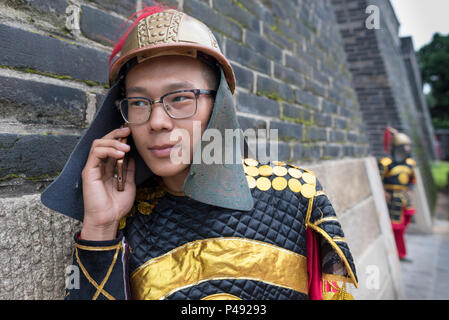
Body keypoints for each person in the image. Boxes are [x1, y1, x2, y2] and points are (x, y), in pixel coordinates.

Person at [41, 6, 357, 300]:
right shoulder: (125, 220)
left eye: (179, 98)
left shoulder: (295, 195)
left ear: (218, 106)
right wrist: (100, 227)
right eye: (139, 103)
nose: (157, 122)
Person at [379, 127, 416, 262]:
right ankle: (398, 253)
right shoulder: (386, 163)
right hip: (392, 198)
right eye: (404, 145)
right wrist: (382, 191)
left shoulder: (410, 163)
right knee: (396, 228)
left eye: (408, 145)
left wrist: (410, 189)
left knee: (406, 221)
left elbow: (412, 179)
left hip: (405, 197)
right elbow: (378, 179)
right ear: (398, 147)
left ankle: (399, 250)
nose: (407, 148)